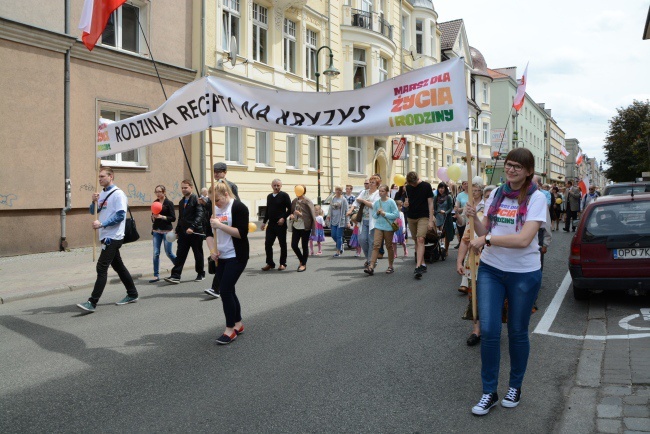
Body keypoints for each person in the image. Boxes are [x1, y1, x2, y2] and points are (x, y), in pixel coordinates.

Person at [464, 148, 546, 416]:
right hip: (491, 268)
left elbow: (523, 239)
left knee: (517, 331)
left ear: (528, 171)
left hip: (524, 272)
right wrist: (473, 217)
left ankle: (515, 386)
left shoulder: (537, 198)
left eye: (518, 167)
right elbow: (484, 230)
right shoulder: (497, 194)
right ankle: (489, 392)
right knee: (488, 331)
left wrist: (486, 240)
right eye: (509, 165)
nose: (511, 170)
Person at [77, 167, 138, 313]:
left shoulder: (118, 194)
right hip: (105, 235)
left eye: (102, 176)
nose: (99, 179)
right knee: (118, 266)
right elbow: (94, 212)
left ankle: (92, 302)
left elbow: (120, 216)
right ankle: (132, 293)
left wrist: (102, 224)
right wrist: (93, 202)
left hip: (114, 236)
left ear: (111, 176)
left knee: (101, 267)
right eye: (99, 177)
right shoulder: (102, 194)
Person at [205, 181, 249, 345]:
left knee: (224, 290)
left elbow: (241, 233)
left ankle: (230, 329)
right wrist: (212, 251)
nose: (215, 204)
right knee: (229, 289)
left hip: (236, 255)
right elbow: (208, 233)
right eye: (212, 201)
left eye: (217, 200)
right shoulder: (212, 210)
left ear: (226, 195)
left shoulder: (238, 207)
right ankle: (238, 323)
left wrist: (220, 225)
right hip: (221, 256)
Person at [164, 180, 205, 284]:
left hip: (194, 232)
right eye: (182, 188)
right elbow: (181, 218)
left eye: (185, 187)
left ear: (191, 187)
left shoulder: (196, 199)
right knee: (180, 254)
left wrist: (192, 227)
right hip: (183, 233)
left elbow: (200, 215)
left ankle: (200, 273)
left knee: (198, 254)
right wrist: (177, 231)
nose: (183, 190)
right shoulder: (182, 201)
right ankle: (175, 276)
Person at [457, 182, 485, 295]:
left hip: (481, 233)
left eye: (476, 190)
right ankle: (466, 282)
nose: (474, 192)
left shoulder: (484, 205)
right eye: (472, 190)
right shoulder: (469, 204)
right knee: (469, 254)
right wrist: (458, 217)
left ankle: (469, 284)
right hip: (469, 230)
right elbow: (463, 221)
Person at [404, 172, 434, 277]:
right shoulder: (407, 187)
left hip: (423, 216)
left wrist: (430, 220)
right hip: (411, 216)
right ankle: (422, 263)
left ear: (417, 179)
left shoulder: (426, 186)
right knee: (416, 241)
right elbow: (406, 202)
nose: (413, 185)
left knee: (421, 239)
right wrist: (405, 204)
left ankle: (417, 267)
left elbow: (430, 203)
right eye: (411, 184)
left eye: (415, 183)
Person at [365, 184, 399, 275]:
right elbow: (374, 216)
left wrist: (385, 214)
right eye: (380, 191)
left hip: (388, 227)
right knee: (376, 245)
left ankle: (390, 266)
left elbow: (396, 215)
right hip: (379, 227)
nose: (380, 192)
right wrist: (377, 213)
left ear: (387, 192)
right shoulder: (377, 202)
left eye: (383, 191)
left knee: (389, 246)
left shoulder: (391, 202)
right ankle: (371, 266)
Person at [261, 179, 291, 271]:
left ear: (281, 186)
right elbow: (268, 210)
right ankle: (270, 263)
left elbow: (290, 209)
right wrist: (264, 222)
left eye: (278, 185)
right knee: (268, 244)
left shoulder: (284, 195)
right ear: (272, 186)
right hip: (271, 225)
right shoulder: (269, 196)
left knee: (282, 244)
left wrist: (283, 218)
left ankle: (283, 263)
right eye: (274, 185)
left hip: (280, 225)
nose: (276, 187)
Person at [149, 185, 177, 283]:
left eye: (159, 191)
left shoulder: (169, 203)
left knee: (168, 252)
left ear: (164, 192)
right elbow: (153, 216)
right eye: (156, 192)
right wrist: (153, 217)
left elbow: (173, 218)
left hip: (167, 231)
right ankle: (156, 275)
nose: (158, 193)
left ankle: (178, 268)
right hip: (156, 230)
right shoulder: (155, 203)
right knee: (156, 253)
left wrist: (162, 217)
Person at [289, 185, 317, 272]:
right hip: (296, 226)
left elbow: (312, 215)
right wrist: (292, 215)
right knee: (294, 245)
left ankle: (303, 264)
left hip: (305, 227)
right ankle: (302, 260)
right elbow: (291, 212)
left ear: (303, 191)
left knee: (304, 246)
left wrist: (301, 215)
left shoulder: (307, 201)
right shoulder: (294, 201)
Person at [355, 175, 380, 268]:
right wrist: (363, 201)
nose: (370, 184)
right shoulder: (364, 192)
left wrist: (363, 201)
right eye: (370, 182)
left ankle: (371, 261)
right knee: (361, 239)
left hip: (373, 221)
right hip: (363, 220)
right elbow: (357, 200)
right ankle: (369, 259)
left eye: (373, 182)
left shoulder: (378, 193)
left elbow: (374, 205)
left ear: (377, 184)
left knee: (371, 241)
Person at [328, 185, 349, 257]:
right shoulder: (333, 198)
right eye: (337, 190)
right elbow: (330, 208)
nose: (338, 191)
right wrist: (328, 215)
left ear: (341, 191)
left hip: (341, 221)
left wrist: (348, 222)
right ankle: (341, 244)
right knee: (333, 235)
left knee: (339, 236)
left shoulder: (344, 199)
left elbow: (347, 211)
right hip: (333, 220)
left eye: (339, 190)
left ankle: (338, 252)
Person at [434, 182, 455, 252]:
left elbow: (451, 207)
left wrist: (445, 212)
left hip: (446, 218)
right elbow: (434, 208)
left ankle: (446, 250)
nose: (441, 189)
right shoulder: (436, 197)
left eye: (442, 188)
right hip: (438, 217)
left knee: (446, 235)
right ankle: (439, 248)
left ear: (445, 189)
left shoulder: (448, 197)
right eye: (439, 188)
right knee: (438, 234)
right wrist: (435, 213)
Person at [454, 181, 469, 249]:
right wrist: (459, 209)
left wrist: (463, 208)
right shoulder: (460, 195)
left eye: (467, 183)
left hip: (471, 216)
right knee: (462, 235)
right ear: (462, 185)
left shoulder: (473, 193)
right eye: (464, 184)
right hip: (462, 217)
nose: (466, 185)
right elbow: (457, 207)